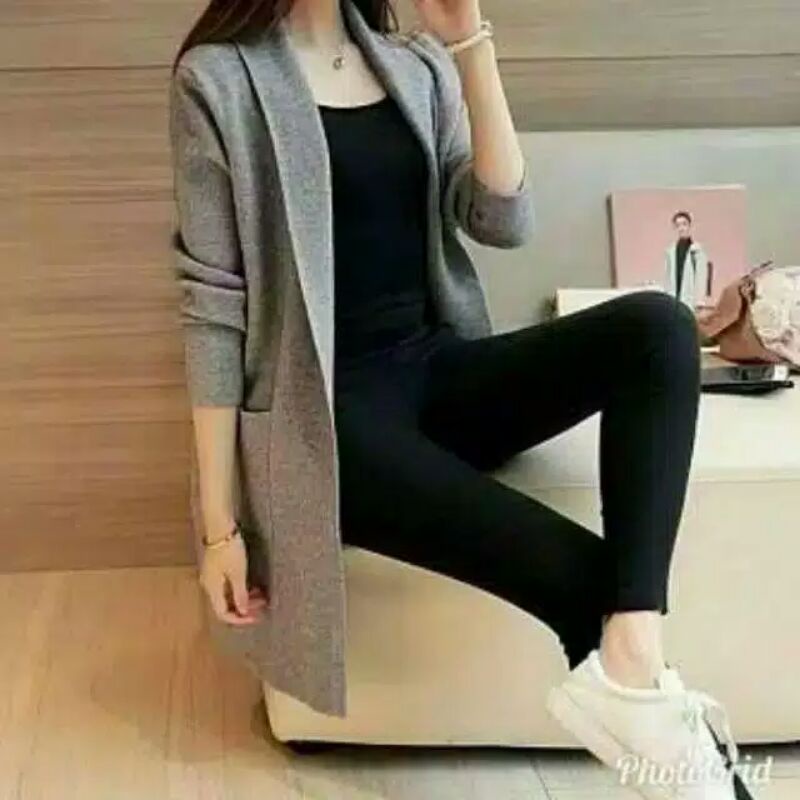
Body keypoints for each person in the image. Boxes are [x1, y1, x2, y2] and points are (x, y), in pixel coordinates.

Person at [169, 1, 753, 796]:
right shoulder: (218, 80)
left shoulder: (412, 65)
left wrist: (470, 45)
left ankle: (635, 667)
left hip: (437, 371)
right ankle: (686, 754)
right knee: (592, 579)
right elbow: (213, 308)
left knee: (660, 328)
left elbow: (504, 219)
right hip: (327, 424)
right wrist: (219, 528)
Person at [665, 210, 711, 310]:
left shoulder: (697, 250)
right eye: (678, 225)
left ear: (689, 226)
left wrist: (699, 301)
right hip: (674, 301)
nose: (681, 228)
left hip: (690, 301)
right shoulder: (670, 251)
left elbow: (701, 276)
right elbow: (667, 278)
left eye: (684, 224)